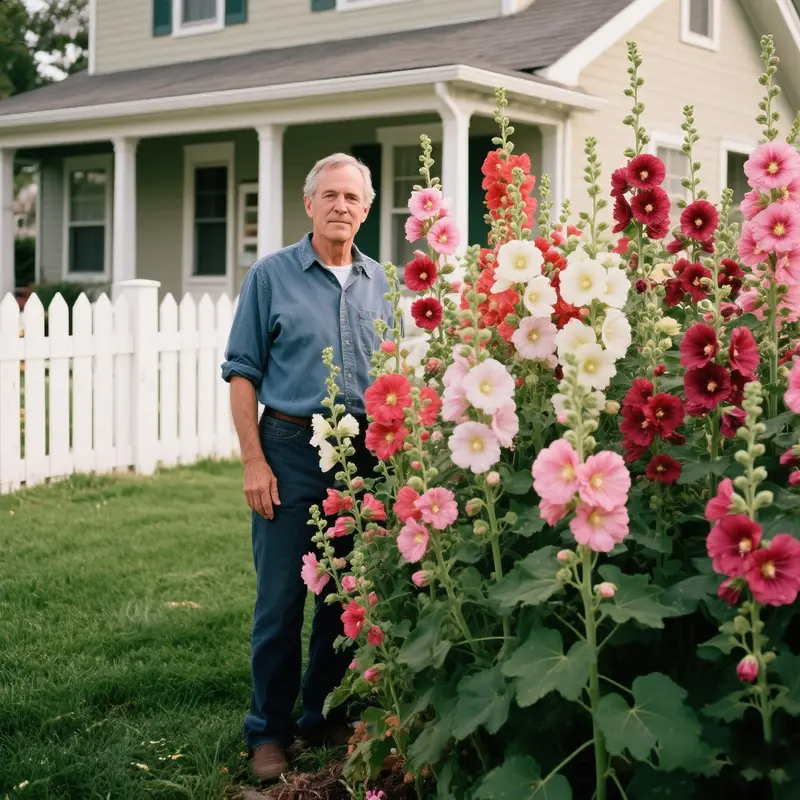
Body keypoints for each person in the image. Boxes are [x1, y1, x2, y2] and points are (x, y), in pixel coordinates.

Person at [220, 153, 394, 782]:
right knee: (281, 602)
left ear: (367, 208)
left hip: (364, 455)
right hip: (291, 449)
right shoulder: (271, 276)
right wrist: (253, 461)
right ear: (309, 204)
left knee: (343, 598)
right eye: (330, 195)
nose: (340, 206)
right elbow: (242, 372)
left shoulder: (383, 283)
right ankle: (268, 732)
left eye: (352, 196)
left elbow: (393, 378)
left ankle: (320, 716)